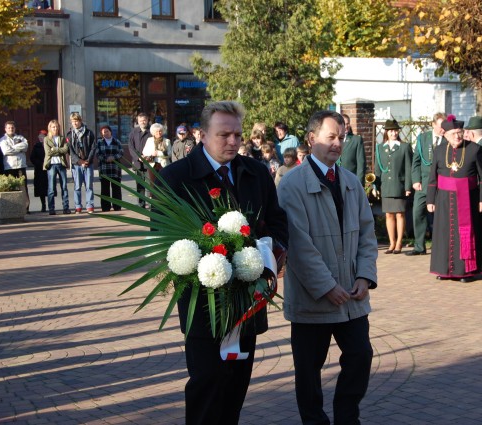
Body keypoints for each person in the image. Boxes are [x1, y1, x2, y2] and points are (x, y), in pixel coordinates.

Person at [157, 100, 288, 425]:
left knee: (235, 386)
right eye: (223, 135)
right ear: (202, 135)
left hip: (248, 302)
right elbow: (159, 237)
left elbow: (277, 221)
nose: (232, 142)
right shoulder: (176, 177)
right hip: (202, 306)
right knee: (207, 384)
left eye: (237, 135)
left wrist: (271, 254)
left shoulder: (255, 172)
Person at [277, 110, 377, 425]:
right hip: (313, 300)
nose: (337, 144)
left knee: (360, 356)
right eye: (330, 137)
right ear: (311, 139)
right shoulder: (291, 184)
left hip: (351, 297)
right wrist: (325, 286)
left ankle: (347, 418)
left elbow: (367, 234)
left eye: (341, 137)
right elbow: (299, 244)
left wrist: (365, 276)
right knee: (308, 371)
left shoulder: (349, 181)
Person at [426, 115, 482, 282]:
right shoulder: (440, 150)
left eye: (459, 132)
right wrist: (430, 200)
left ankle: (465, 271)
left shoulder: (474, 149)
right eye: (453, 133)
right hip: (443, 199)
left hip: (468, 198)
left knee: (465, 233)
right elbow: (432, 177)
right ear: (445, 135)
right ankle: (445, 269)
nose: (457, 136)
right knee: (444, 234)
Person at [408, 112, 445, 256]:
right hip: (423, 183)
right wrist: (415, 179)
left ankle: (439, 245)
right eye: (440, 126)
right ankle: (419, 245)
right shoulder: (423, 138)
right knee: (417, 212)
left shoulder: (447, 139)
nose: (443, 129)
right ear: (433, 125)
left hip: (440, 183)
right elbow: (416, 160)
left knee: (439, 215)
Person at [374, 118, 412, 254]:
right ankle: (392, 243)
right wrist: (375, 187)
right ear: (386, 132)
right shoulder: (380, 148)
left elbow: (409, 168)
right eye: (390, 131)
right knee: (389, 215)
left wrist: (408, 187)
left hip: (399, 185)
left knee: (400, 214)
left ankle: (399, 242)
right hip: (386, 186)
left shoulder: (404, 147)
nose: (393, 133)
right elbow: (377, 169)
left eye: (395, 131)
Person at [66, 112, 96, 214]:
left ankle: (89, 205)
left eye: (76, 121)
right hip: (76, 164)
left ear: (80, 121)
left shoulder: (89, 133)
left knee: (89, 186)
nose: (74, 123)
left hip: (88, 163)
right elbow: (70, 151)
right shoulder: (70, 135)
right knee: (77, 186)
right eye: (73, 121)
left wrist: (87, 160)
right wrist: (79, 161)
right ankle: (78, 206)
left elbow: (93, 147)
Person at [0, 121, 30, 213]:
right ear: (5, 129)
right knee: (11, 188)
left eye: (12, 127)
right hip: (9, 167)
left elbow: (25, 146)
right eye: (8, 128)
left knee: (23, 187)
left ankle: (26, 208)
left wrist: (13, 148)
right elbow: (6, 151)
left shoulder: (20, 138)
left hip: (20, 166)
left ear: (15, 128)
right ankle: (13, 209)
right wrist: (18, 149)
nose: (11, 129)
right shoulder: (3, 140)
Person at [43, 120, 71, 215]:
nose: (55, 128)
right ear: (49, 128)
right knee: (51, 188)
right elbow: (48, 152)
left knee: (64, 187)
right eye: (53, 127)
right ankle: (51, 208)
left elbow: (65, 150)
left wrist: (55, 149)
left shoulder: (62, 138)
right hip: (51, 165)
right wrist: (59, 150)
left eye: (56, 127)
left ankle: (66, 207)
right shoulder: (46, 139)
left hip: (61, 164)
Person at [96, 125, 124, 212]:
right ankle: (105, 207)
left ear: (110, 132)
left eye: (107, 131)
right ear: (102, 134)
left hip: (115, 169)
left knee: (116, 188)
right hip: (104, 169)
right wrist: (105, 158)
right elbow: (97, 154)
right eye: (104, 132)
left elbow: (121, 152)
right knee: (105, 189)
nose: (106, 133)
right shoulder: (99, 142)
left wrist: (114, 157)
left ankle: (117, 206)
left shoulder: (117, 141)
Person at [128, 112, 151, 208]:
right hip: (138, 163)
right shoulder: (134, 132)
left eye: (144, 120)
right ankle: (141, 203)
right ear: (138, 121)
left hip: (149, 162)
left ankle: (151, 203)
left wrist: (147, 157)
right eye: (141, 120)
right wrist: (138, 157)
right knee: (139, 185)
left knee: (150, 185)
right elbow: (131, 147)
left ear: (147, 120)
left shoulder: (152, 131)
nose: (143, 122)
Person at [337, 113, 366, 184]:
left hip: (350, 181)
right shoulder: (334, 139)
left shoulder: (356, 140)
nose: (346, 126)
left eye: (348, 124)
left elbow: (361, 164)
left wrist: (359, 183)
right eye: (344, 124)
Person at [30, 130, 49, 212]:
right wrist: (39, 164)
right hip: (39, 169)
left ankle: (51, 205)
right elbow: (32, 158)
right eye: (40, 136)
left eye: (43, 136)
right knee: (41, 189)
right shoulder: (36, 146)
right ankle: (43, 205)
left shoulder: (49, 144)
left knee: (49, 187)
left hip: (48, 168)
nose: (41, 138)